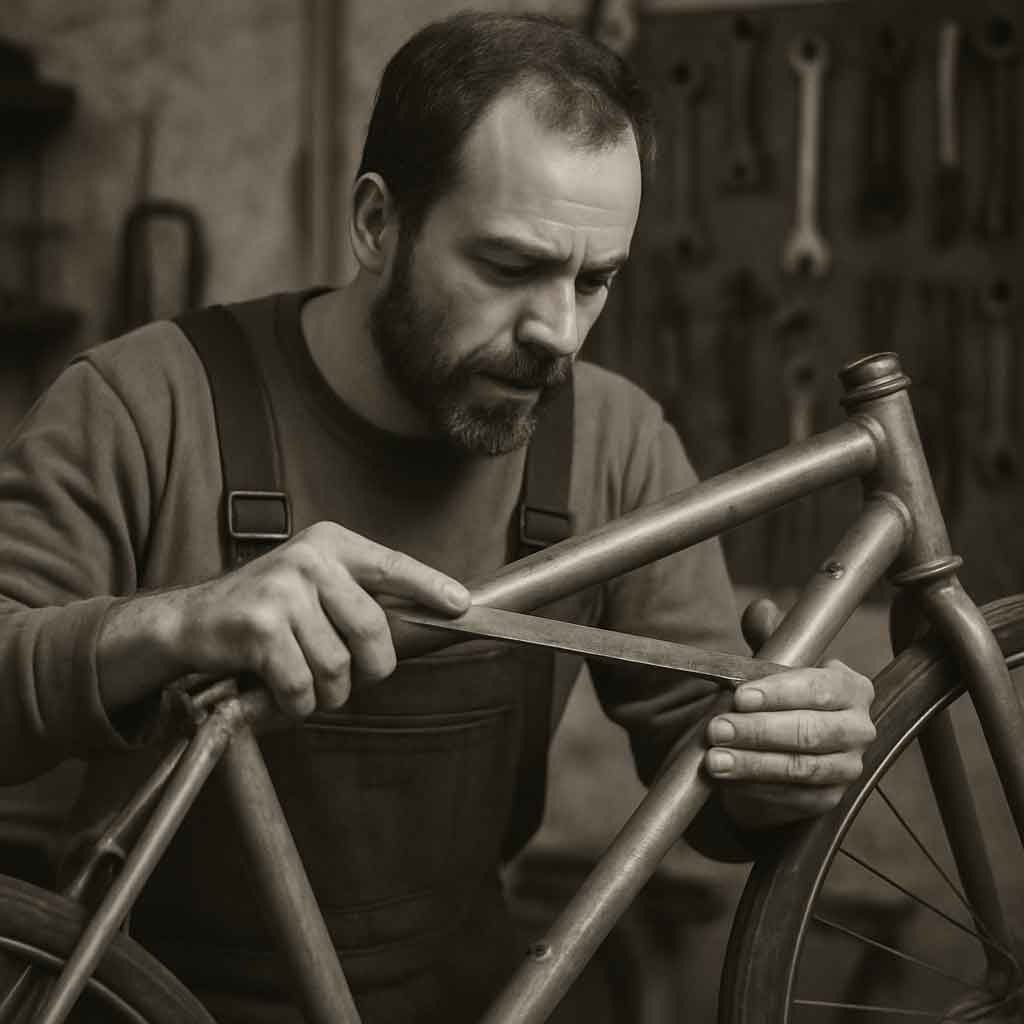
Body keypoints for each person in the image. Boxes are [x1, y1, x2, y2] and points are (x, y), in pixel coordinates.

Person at [0, 11, 875, 1023]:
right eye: (508, 268)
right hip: (145, 1004)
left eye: (593, 282)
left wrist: (789, 756)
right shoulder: (140, 403)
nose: (558, 333)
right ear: (378, 221)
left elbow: (715, 789)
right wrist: (174, 623)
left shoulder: (615, 443)